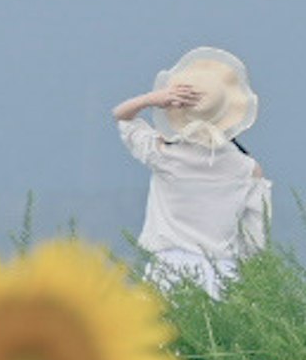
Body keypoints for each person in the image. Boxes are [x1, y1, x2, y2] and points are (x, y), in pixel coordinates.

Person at [109, 45, 271, 295]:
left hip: (167, 273)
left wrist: (153, 99)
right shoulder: (247, 168)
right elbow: (256, 240)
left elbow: (122, 116)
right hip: (222, 275)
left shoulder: (163, 155)